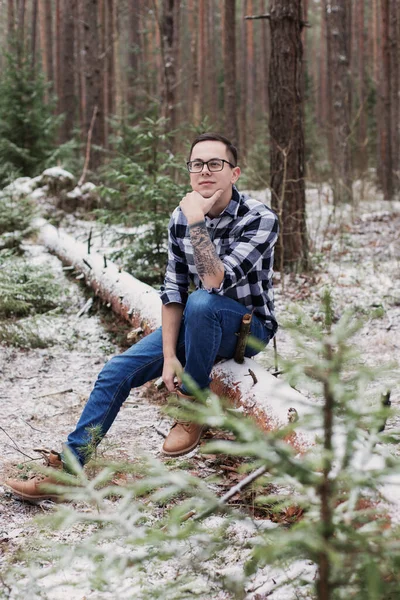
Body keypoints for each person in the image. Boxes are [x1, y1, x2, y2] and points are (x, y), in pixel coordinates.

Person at [5, 133, 279, 502]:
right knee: (117, 370)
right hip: (196, 325)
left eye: (216, 164)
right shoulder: (178, 219)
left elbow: (215, 280)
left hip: (248, 329)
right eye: (197, 164)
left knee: (201, 302)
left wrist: (197, 220)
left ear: (235, 173)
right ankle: (69, 470)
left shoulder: (259, 218)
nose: (205, 171)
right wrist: (168, 355)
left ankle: (192, 407)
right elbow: (172, 291)